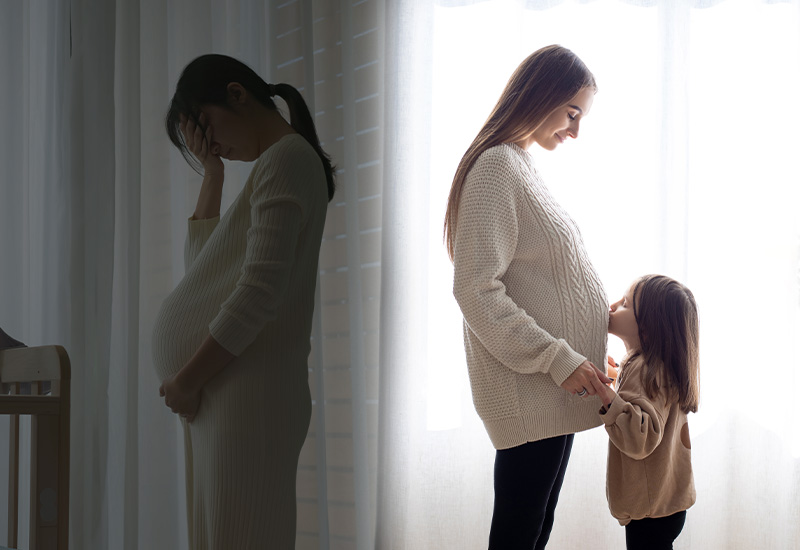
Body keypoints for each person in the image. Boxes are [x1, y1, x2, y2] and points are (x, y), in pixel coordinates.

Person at [151, 53, 334, 549]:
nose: (216, 147)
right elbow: (204, 275)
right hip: (225, 393)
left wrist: (187, 381)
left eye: (210, 128)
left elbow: (259, 293)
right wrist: (211, 176)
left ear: (237, 94)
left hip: (243, 395)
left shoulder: (287, 159)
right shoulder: (277, 165)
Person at [445, 44, 612, 549]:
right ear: (545, 94)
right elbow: (475, 290)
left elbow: (543, 283)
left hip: (556, 385)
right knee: (520, 536)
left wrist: (587, 343)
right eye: (572, 113)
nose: (576, 131)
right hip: (535, 387)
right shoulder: (497, 167)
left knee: (533, 532)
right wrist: (559, 358)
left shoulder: (518, 164)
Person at [596, 275, 699, 550]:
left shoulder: (643, 370)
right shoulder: (662, 366)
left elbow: (640, 437)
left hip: (649, 512)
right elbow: (651, 407)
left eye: (626, 304)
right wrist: (616, 377)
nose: (614, 305)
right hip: (668, 504)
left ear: (649, 329)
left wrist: (605, 394)